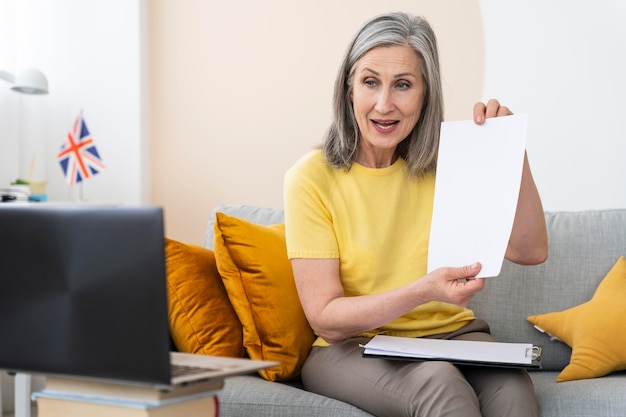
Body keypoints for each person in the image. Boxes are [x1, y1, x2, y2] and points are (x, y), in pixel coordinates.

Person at [283, 11, 548, 417]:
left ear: (426, 94)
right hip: (353, 345)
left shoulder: (451, 161)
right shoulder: (311, 178)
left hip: (455, 334)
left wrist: (511, 149)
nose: (384, 104)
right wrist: (423, 291)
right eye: (370, 82)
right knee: (441, 386)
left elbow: (530, 250)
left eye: (403, 85)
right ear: (349, 88)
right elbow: (326, 319)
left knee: (513, 392)